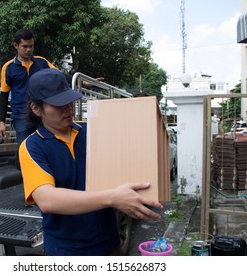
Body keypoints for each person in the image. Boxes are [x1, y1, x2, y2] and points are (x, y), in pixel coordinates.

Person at [19, 68, 163, 256]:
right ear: (36, 109)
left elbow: (126, 153)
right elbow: (47, 199)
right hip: (66, 250)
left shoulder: (92, 131)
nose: (68, 108)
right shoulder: (32, 146)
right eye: (58, 104)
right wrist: (112, 197)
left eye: (69, 101)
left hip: (109, 243)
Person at [0, 28, 56, 146]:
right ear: (16, 45)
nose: (29, 49)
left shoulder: (41, 62)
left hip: (41, 115)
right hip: (21, 117)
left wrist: (81, 81)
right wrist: (2, 122)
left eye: (31, 46)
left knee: (45, 148)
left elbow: (59, 75)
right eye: (24, 46)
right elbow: (4, 95)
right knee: (26, 150)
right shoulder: (8, 67)